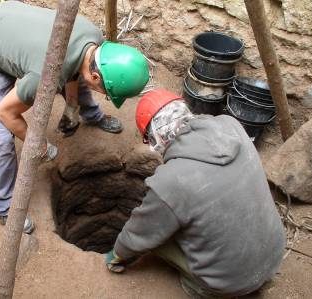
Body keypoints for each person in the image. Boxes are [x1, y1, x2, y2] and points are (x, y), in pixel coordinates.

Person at [0, 1, 149, 233]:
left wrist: (72, 106)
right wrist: (40, 146)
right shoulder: (45, 75)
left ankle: (90, 115)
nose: (104, 94)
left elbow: (74, 71)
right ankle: (2, 206)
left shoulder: (92, 40)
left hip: (9, 27)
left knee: (78, 76)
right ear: (98, 77)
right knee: (2, 134)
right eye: (106, 93)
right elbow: (6, 112)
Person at [105, 89, 285, 298]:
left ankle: (201, 289)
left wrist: (116, 254)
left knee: (159, 236)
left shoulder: (171, 181)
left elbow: (140, 232)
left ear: (155, 137)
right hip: (273, 254)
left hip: (229, 282)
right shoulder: (231, 126)